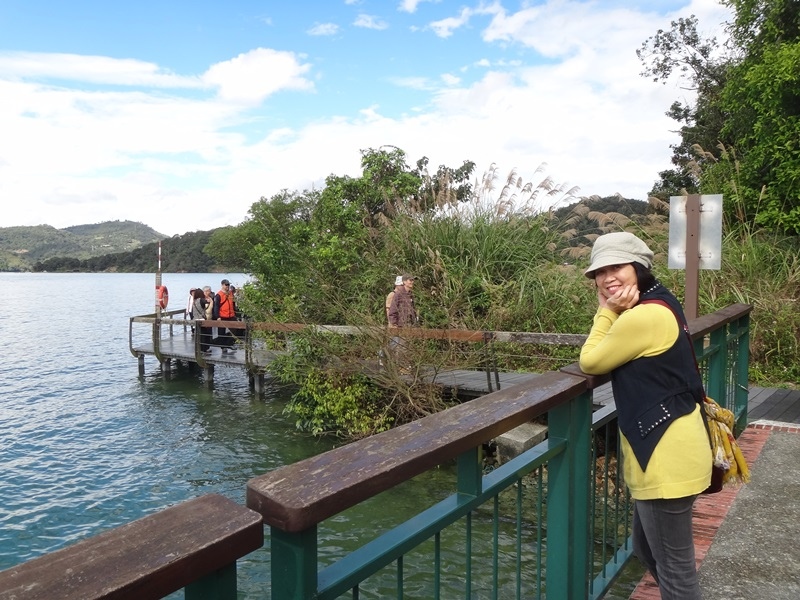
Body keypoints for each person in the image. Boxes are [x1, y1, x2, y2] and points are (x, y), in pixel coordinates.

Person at [578, 232, 711, 600]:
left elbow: (590, 360)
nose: (607, 278)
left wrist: (606, 312)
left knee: (675, 571)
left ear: (639, 268)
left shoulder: (644, 316)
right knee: (646, 548)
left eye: (616, 267)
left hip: (666, 456)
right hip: (670, 446)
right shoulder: (661, 301)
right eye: (600, 272)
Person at [212, 279, 238, 353]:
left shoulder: (230, 293)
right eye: (226, 285)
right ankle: (223, 347)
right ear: (222, 285)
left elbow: (233, 304)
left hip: (231, 315)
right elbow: (216, 306)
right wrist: (218, 317)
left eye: (228, 285)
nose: (227, 286)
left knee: (234, 330)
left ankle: (230, 343)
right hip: (222, 316)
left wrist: (235, 313)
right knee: (221, 333)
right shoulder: (218, 295)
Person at [192, 288, 211, 354]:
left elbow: (192, 312)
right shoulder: (201, 300)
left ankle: (199, 349)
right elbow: (208, 303)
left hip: (195, 320)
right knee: (204, 335)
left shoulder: (194, 301)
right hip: (202, 320)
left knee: (198, 336)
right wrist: (209, 299)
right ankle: (204, 349)